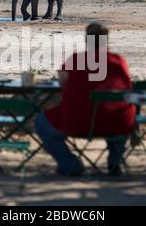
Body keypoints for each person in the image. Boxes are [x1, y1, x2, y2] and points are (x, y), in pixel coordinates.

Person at [35, 23, 136, 176]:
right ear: (106, 40)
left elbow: (62, 82)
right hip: (116, 122)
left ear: (86, 40)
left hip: (79, 122)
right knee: (117, 115)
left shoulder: (76, 59)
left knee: (40, 121)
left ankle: (70, 164)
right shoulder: (118, 60)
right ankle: (115, 161)